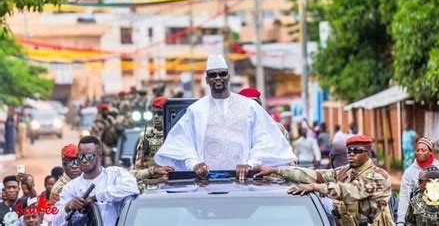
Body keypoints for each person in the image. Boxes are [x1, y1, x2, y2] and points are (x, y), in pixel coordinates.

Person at [155, 54, 296, 180]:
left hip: (245, 182)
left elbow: (264, 140)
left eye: (222, 74)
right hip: (204, 184)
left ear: (228, 76)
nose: (218, 78)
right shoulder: (196, 110)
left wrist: (250, 164)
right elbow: (183, 143)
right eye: (212, 75)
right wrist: (195, 164)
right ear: (206, 80)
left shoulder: (249, 106)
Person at [256, 135, 394, 225]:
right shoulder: (345, 171)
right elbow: (315, 175)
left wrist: (315, 187)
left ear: (368, 154)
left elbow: (349, 191)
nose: (351, 154)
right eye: (349, 151)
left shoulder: (378, 176)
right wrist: (277, 170)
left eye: (357, 151)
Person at [55, 136, 139, 225]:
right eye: (80, 156)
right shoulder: (71, 187)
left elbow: (132, 187)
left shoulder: (114, 175)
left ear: (99, 156)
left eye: (88, 156)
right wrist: (67, 207)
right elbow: (55, 220)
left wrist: (95, 197)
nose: (83, 160)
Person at [397, 137, 439, 225]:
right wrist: (400, 222)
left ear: (430, 152)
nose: (420, 152)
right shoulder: (409, 173)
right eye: (418, 150)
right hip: (415, 220)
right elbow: (404, 198)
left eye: (423, 150)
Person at [130, 97, 174, 185]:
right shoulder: (146, 137)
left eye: (160, 113)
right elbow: (134, 174)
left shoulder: (178, 136)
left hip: (176, 185)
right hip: (152, 187)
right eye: (154, 113)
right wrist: (154, 171)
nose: (156, 117)